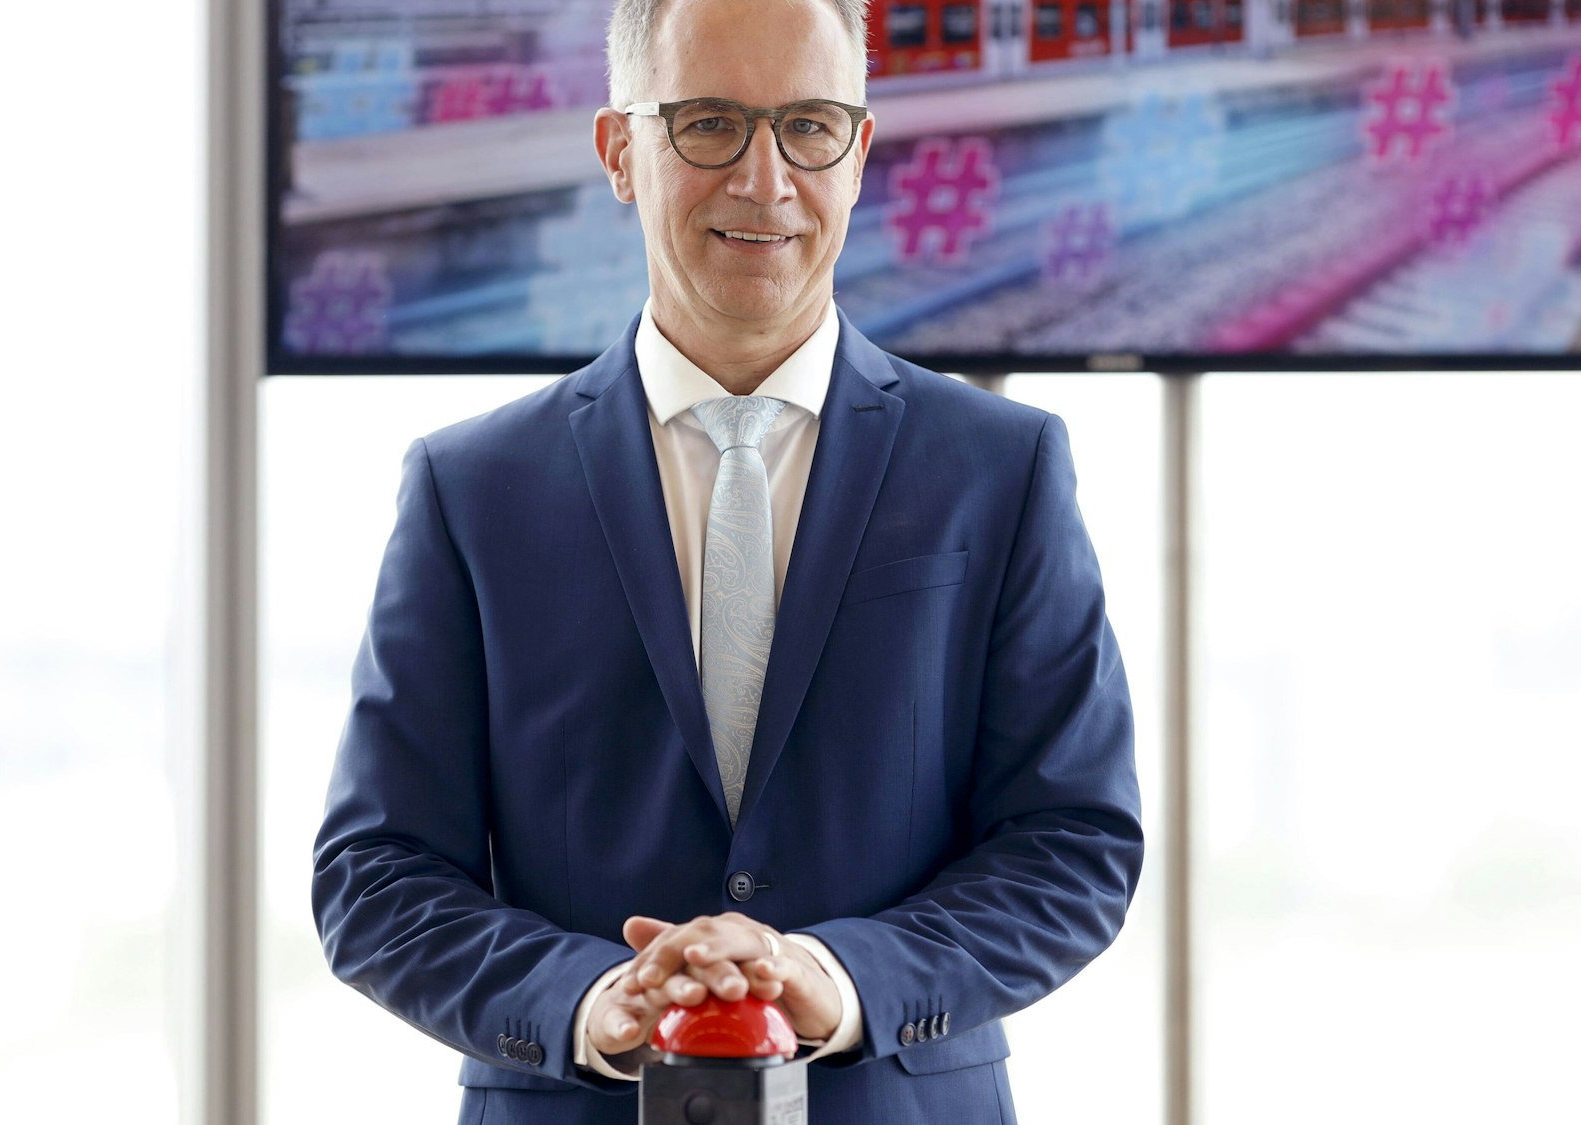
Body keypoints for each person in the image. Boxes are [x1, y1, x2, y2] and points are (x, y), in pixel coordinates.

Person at [310, 0, 1143, 1121]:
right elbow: (375, 875)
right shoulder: (473, 490)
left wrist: (839, 980)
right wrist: (593, 999)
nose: (764, 179)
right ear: (619, 151)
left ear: (857, 154)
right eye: (708, 123)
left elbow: (1073, 842)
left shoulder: (1000, 468)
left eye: (809, 126)